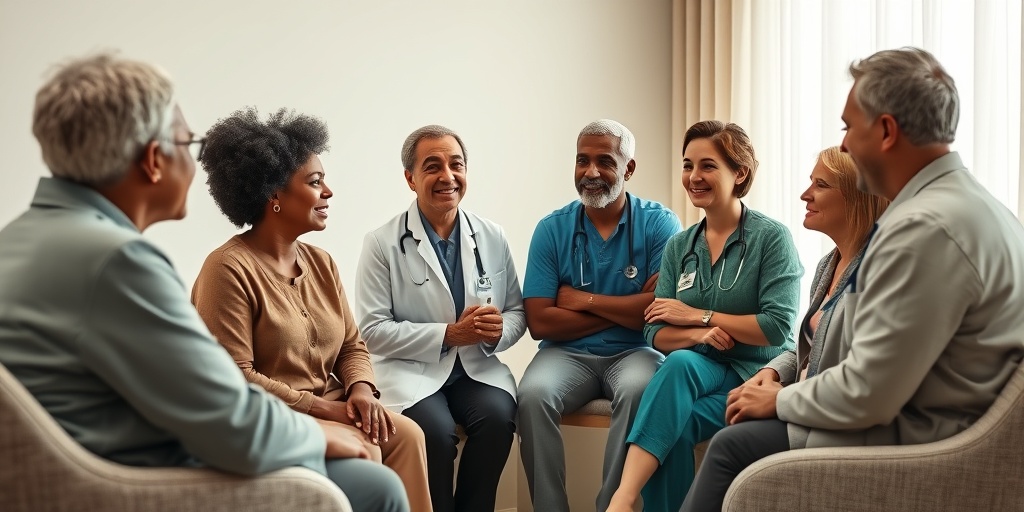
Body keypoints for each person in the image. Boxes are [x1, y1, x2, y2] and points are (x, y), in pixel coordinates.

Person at [0, 54, 407, 512]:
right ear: (155, 160)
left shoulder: (16, 240)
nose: (197, 167)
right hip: (137, 481)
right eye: (188, 144)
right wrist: (320, 432)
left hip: (76, 469)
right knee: (380, 489)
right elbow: (231, 420)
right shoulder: (118, 260)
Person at [682, 46, 1024, 512]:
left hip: (914, 449)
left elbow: (869, 393)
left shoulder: (926, 228)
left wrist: (779, 401)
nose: (843, 146)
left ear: (885, 131)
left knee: (732, 444)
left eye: (848, 128)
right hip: (923, 426)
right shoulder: (972, 207)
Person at [191, 107, 431, 512]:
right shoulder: (227, 269)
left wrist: (360, 391)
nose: (328, 192)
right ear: (274, 196)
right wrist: (324, 408)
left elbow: (352, 346)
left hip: (335, 402)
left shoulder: (321, 262)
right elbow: (235, 377)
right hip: (275, 414)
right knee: (366, 449)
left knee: (408, 435)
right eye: (315, 182)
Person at [606, 121, 803, 512]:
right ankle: (627, 500)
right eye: (687, 165)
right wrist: (698, 333)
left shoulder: (771, 238)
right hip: (702, 367)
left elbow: (776, 327)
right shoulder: (681, 244)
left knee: (677, 375)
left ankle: (622, 499)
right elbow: (654, 330)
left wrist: (699, 315)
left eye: (708, 166)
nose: (694, 177)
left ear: (740, 173)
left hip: (753, 371)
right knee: (675, 413)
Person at [355, 125, 526, 512]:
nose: (447, 176)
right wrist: (449, 334)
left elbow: (516, 312)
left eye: (457, 165)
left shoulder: (492, 236)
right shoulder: (382, 243)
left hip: (475, 369)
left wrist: (497, 332)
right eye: (433, 166)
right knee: (434, 433)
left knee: (499, 419)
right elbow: (372, 330)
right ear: (410, 178)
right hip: (410, 373)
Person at [517, 119, 682, 512]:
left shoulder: (661, 224)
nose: (591, 172)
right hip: (564, 354)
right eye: (582, 161)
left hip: (636, 351)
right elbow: (540, 322)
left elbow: (657, 312)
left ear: (629, 169)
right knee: (532, 396)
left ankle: (613, 507)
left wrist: (582, 300)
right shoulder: (551, 229)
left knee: (642, 390)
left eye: (604, 161)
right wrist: (628, 307)